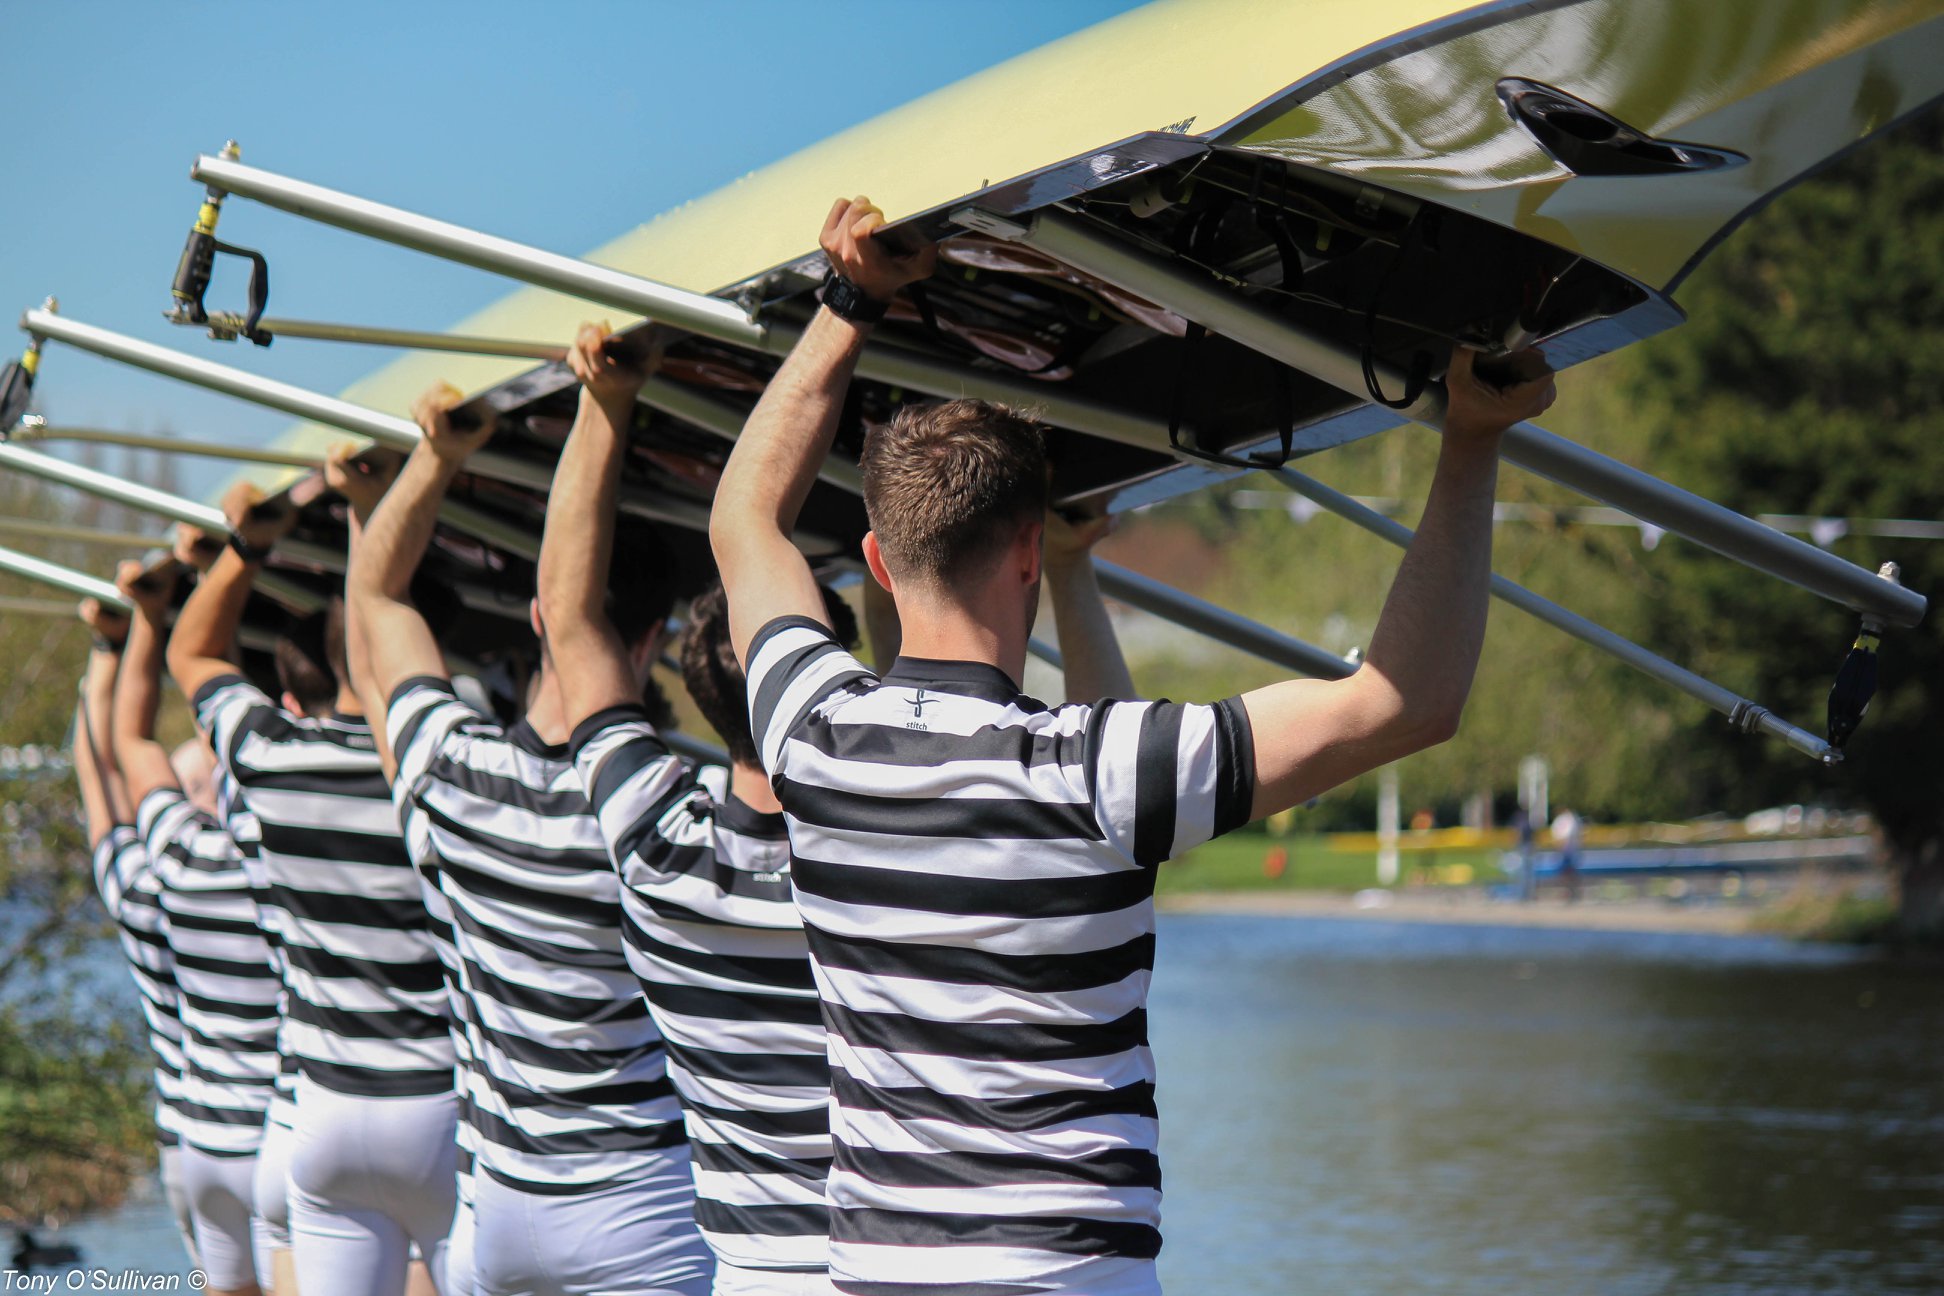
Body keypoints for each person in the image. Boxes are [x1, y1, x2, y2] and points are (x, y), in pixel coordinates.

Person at [708, 196, 1557, 1294]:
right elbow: (1404, 702)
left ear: (877, 560)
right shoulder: (1102, 770)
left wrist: (848, 300)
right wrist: (1472, 443)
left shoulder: (810, 736)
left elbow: (745, 518)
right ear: (1026, 551)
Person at [345, 374, 713, 1296]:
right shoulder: (671, 808)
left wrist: (437, 457)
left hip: (497, 1203)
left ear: (540, 612)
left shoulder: (447, 767)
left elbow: (378, 599)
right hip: (641, 1202)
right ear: (653, 640)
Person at [167, 484, 457, 1296]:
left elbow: (193, 655)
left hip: (319, 1111)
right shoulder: (452, 773)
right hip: (439, 1107)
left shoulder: (271, 756)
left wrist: (248, 546)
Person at [112, 561, 280, 1296]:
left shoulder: (181, 858)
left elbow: (129, 742)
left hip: (206, 1137)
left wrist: (144, 625)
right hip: (282, 1130)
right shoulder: (294, 859)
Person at [69, 595, 201, 1271]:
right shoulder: (263, 884)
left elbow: (98, 771)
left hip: (187, 1136)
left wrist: (107, 653)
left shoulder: (139, 889)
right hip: (270, 1127)